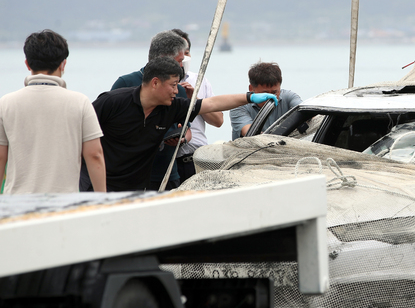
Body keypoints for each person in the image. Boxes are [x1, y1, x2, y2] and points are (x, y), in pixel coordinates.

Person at [89, 56, 276, 192]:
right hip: (98, 187)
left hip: (137, 191)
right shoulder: (112, 102)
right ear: (155, 83)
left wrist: (249, 97)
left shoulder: (171, 108)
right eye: (172, 84)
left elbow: (212, 104)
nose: (176, 90)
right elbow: (81, 133)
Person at [0, 30, 105, 194]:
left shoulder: (6, 103)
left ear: (27, 64)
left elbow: (1, 157)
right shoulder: (80, 102)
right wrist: (102, 201)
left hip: (17, 205)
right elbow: (94, 155)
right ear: (63, 64)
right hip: (63, 205)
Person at [109, 30, 190, 190]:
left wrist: (182, 139)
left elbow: (186, 127)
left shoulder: (178, 90)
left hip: (167, 175)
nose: (181, 66)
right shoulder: (125, 83)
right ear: (164, 58)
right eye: (179, 60)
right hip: (129, 175)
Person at [171, 28, 223, 182]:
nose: (184, 57)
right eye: (179, 53)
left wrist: (195, 100)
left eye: (187, 53)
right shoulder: (156, 82)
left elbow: (218, 120)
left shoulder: (199, 80)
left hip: (195, 159)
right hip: (168, 160)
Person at [229, 62, 302, 139]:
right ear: (251, 88)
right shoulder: (238, 106)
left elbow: (306, 114)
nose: (270, 97)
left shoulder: (290, 97)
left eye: (274, 92)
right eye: (265, 93)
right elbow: (249, 132)